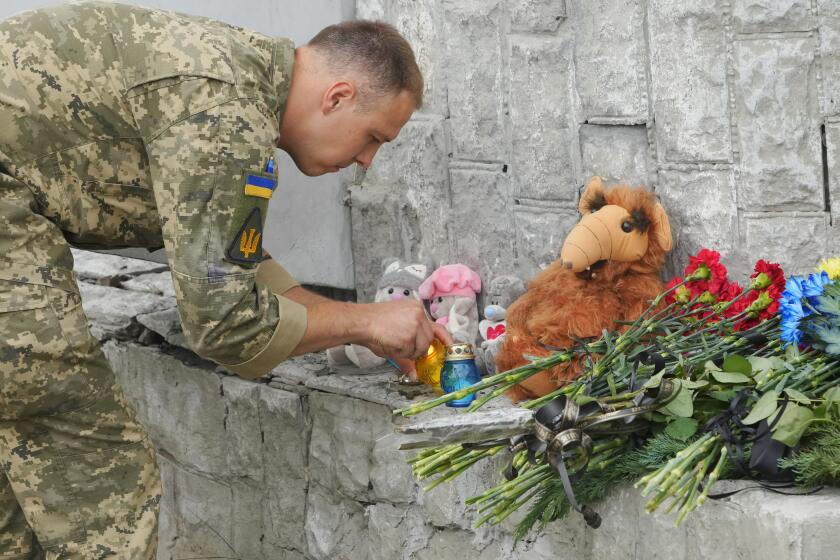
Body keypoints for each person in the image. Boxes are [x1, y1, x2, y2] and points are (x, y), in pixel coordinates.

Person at [0, 2, 450, 557]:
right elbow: (224, 323)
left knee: (18, 465)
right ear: (337, 98)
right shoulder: (227, 117)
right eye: (373, 137)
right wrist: (363, 321)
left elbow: (228, 261)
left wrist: (368, 327)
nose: (366, 162)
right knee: (98, 470)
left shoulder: (239, 84)